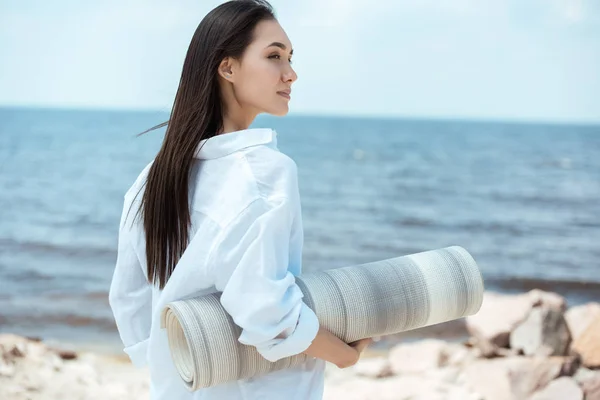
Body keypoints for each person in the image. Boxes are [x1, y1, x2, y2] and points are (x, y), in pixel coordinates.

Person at [107, 1, 372, 399]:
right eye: (273, 56)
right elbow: (268, 314)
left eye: (290, 58)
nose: (291, 73)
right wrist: (343, 354)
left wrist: (171, 359)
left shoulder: (152, 179)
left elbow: (128, 300)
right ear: (227, 68)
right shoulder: (262, 172)